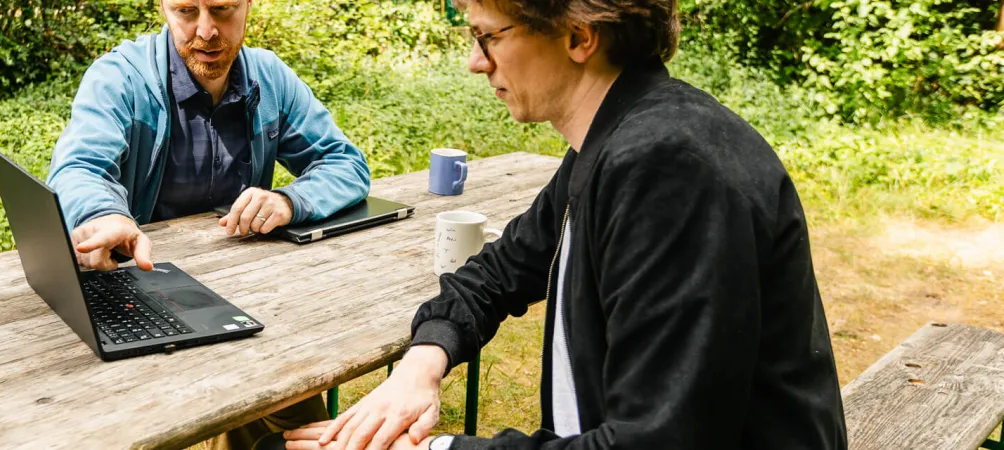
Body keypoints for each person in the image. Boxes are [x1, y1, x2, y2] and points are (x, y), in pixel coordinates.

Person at [281, 0, 849, 449]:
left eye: (489, 37)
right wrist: (423, 361)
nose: (476, 62)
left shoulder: (670, 168)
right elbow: (502, 269)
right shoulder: (613, 139)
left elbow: (661, 440)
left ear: (578, 35)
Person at [45, 1, 370, 448]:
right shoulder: (121, 77)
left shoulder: (269, 78)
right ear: (163, 8)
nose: (207, 30)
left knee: (300, 425)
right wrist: (104, 213)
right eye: (185, 11)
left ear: (248, 6)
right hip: (142, 294)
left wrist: (291, 199)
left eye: (221, 9)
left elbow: (345, 163)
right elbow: (78, 169)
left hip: (247, 302)